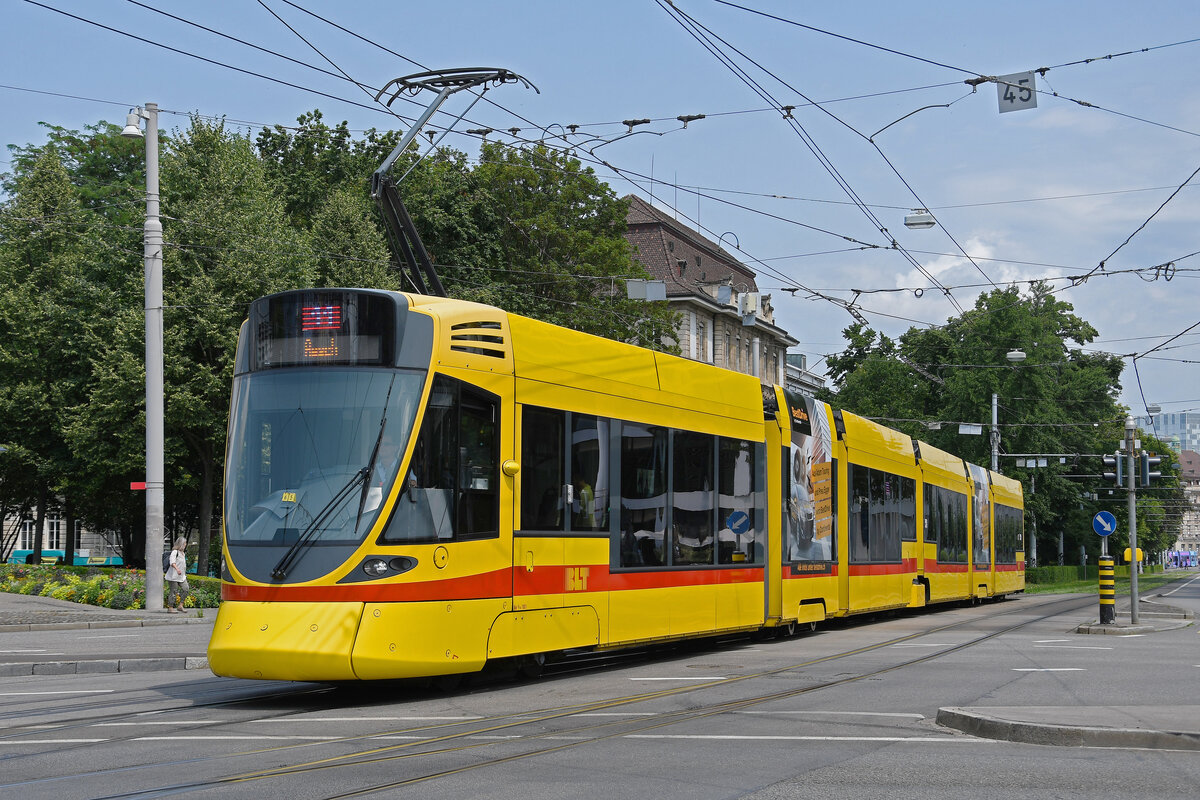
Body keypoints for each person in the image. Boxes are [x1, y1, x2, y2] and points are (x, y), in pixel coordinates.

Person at [165, 537, 189, 613]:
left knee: (186, 589)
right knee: (173, 591)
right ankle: (170, 607)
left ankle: (180, 606)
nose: (185, 544)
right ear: (181, 544)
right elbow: (172, 562)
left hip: (181, 576)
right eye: (184, 543)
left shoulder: (183, 553)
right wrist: (177, 569)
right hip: (173, 576)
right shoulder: (175, 552)